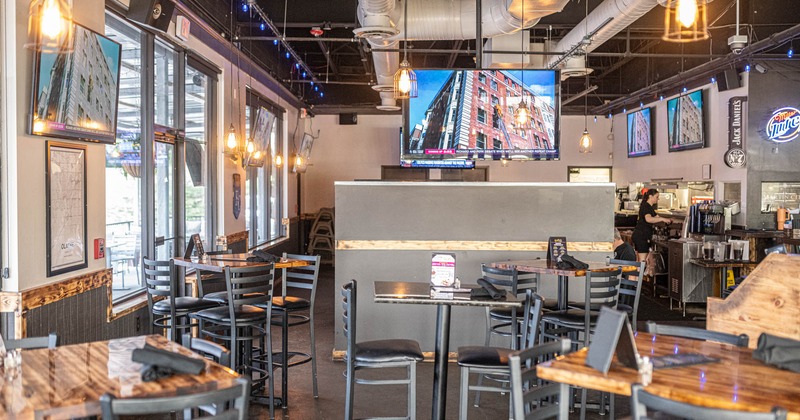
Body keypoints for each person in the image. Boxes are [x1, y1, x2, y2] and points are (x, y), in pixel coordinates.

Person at [631, 188, 672, 262]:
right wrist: (663, 219)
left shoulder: (648, 207)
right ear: (650, 196)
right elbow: (648, 219)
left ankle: (638, 273)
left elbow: (657, 217)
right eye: (657, 197)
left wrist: (669, 220)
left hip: (639, 235)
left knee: (639, 261)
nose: (658, 199)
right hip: (642, 236)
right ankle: (640, 273)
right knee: (642, 261)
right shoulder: (646, 206)